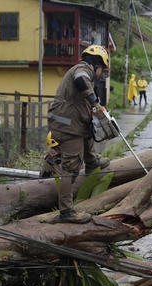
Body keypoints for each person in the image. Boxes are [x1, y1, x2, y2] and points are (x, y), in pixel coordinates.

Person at [47, 45, 111, 223]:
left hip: (76, 124)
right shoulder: (82, 70)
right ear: (96, 64)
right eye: (102, 69)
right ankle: (66, 212)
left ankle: (92, 162)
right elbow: (80, 79)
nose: (101, 73)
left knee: (87, 134)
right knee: (71, 168)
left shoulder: (86, 72)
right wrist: (94, 101)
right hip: (67, 126)